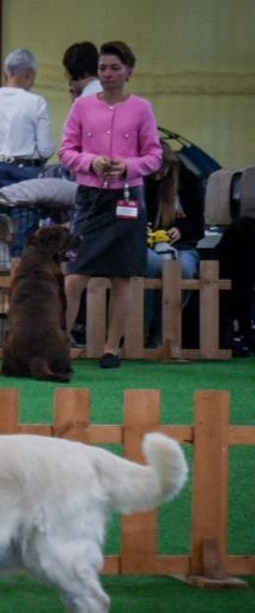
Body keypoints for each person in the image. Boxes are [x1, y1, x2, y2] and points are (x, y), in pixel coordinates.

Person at [59, 41, 162, 369]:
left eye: (115, 68)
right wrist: (91, 162)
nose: (108, 74)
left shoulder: (142, 108)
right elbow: (66, 151)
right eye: (103, 68)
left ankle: (111, 348)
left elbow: (155, 156)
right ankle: (60, 341)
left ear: (129, 71)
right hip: (91, 198)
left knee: (123, 276)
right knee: (75, 275)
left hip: (128, 197)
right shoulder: (81, 107)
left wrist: (129, 167)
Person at [143, 142, 204, 347]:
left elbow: (198, 225)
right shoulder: (137, 182)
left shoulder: (189, 182)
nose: (156, 176)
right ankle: (142, 331)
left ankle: (165, 337)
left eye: (160, 170)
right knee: (152, 266)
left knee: (184, 270)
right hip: (147, 246)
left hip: (182, 246)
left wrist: (182, 230)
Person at [0, 47, 54, 191]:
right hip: (25, 177)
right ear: (29, 74)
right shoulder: (37, 103)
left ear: (6, 73)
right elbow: (45, 150)